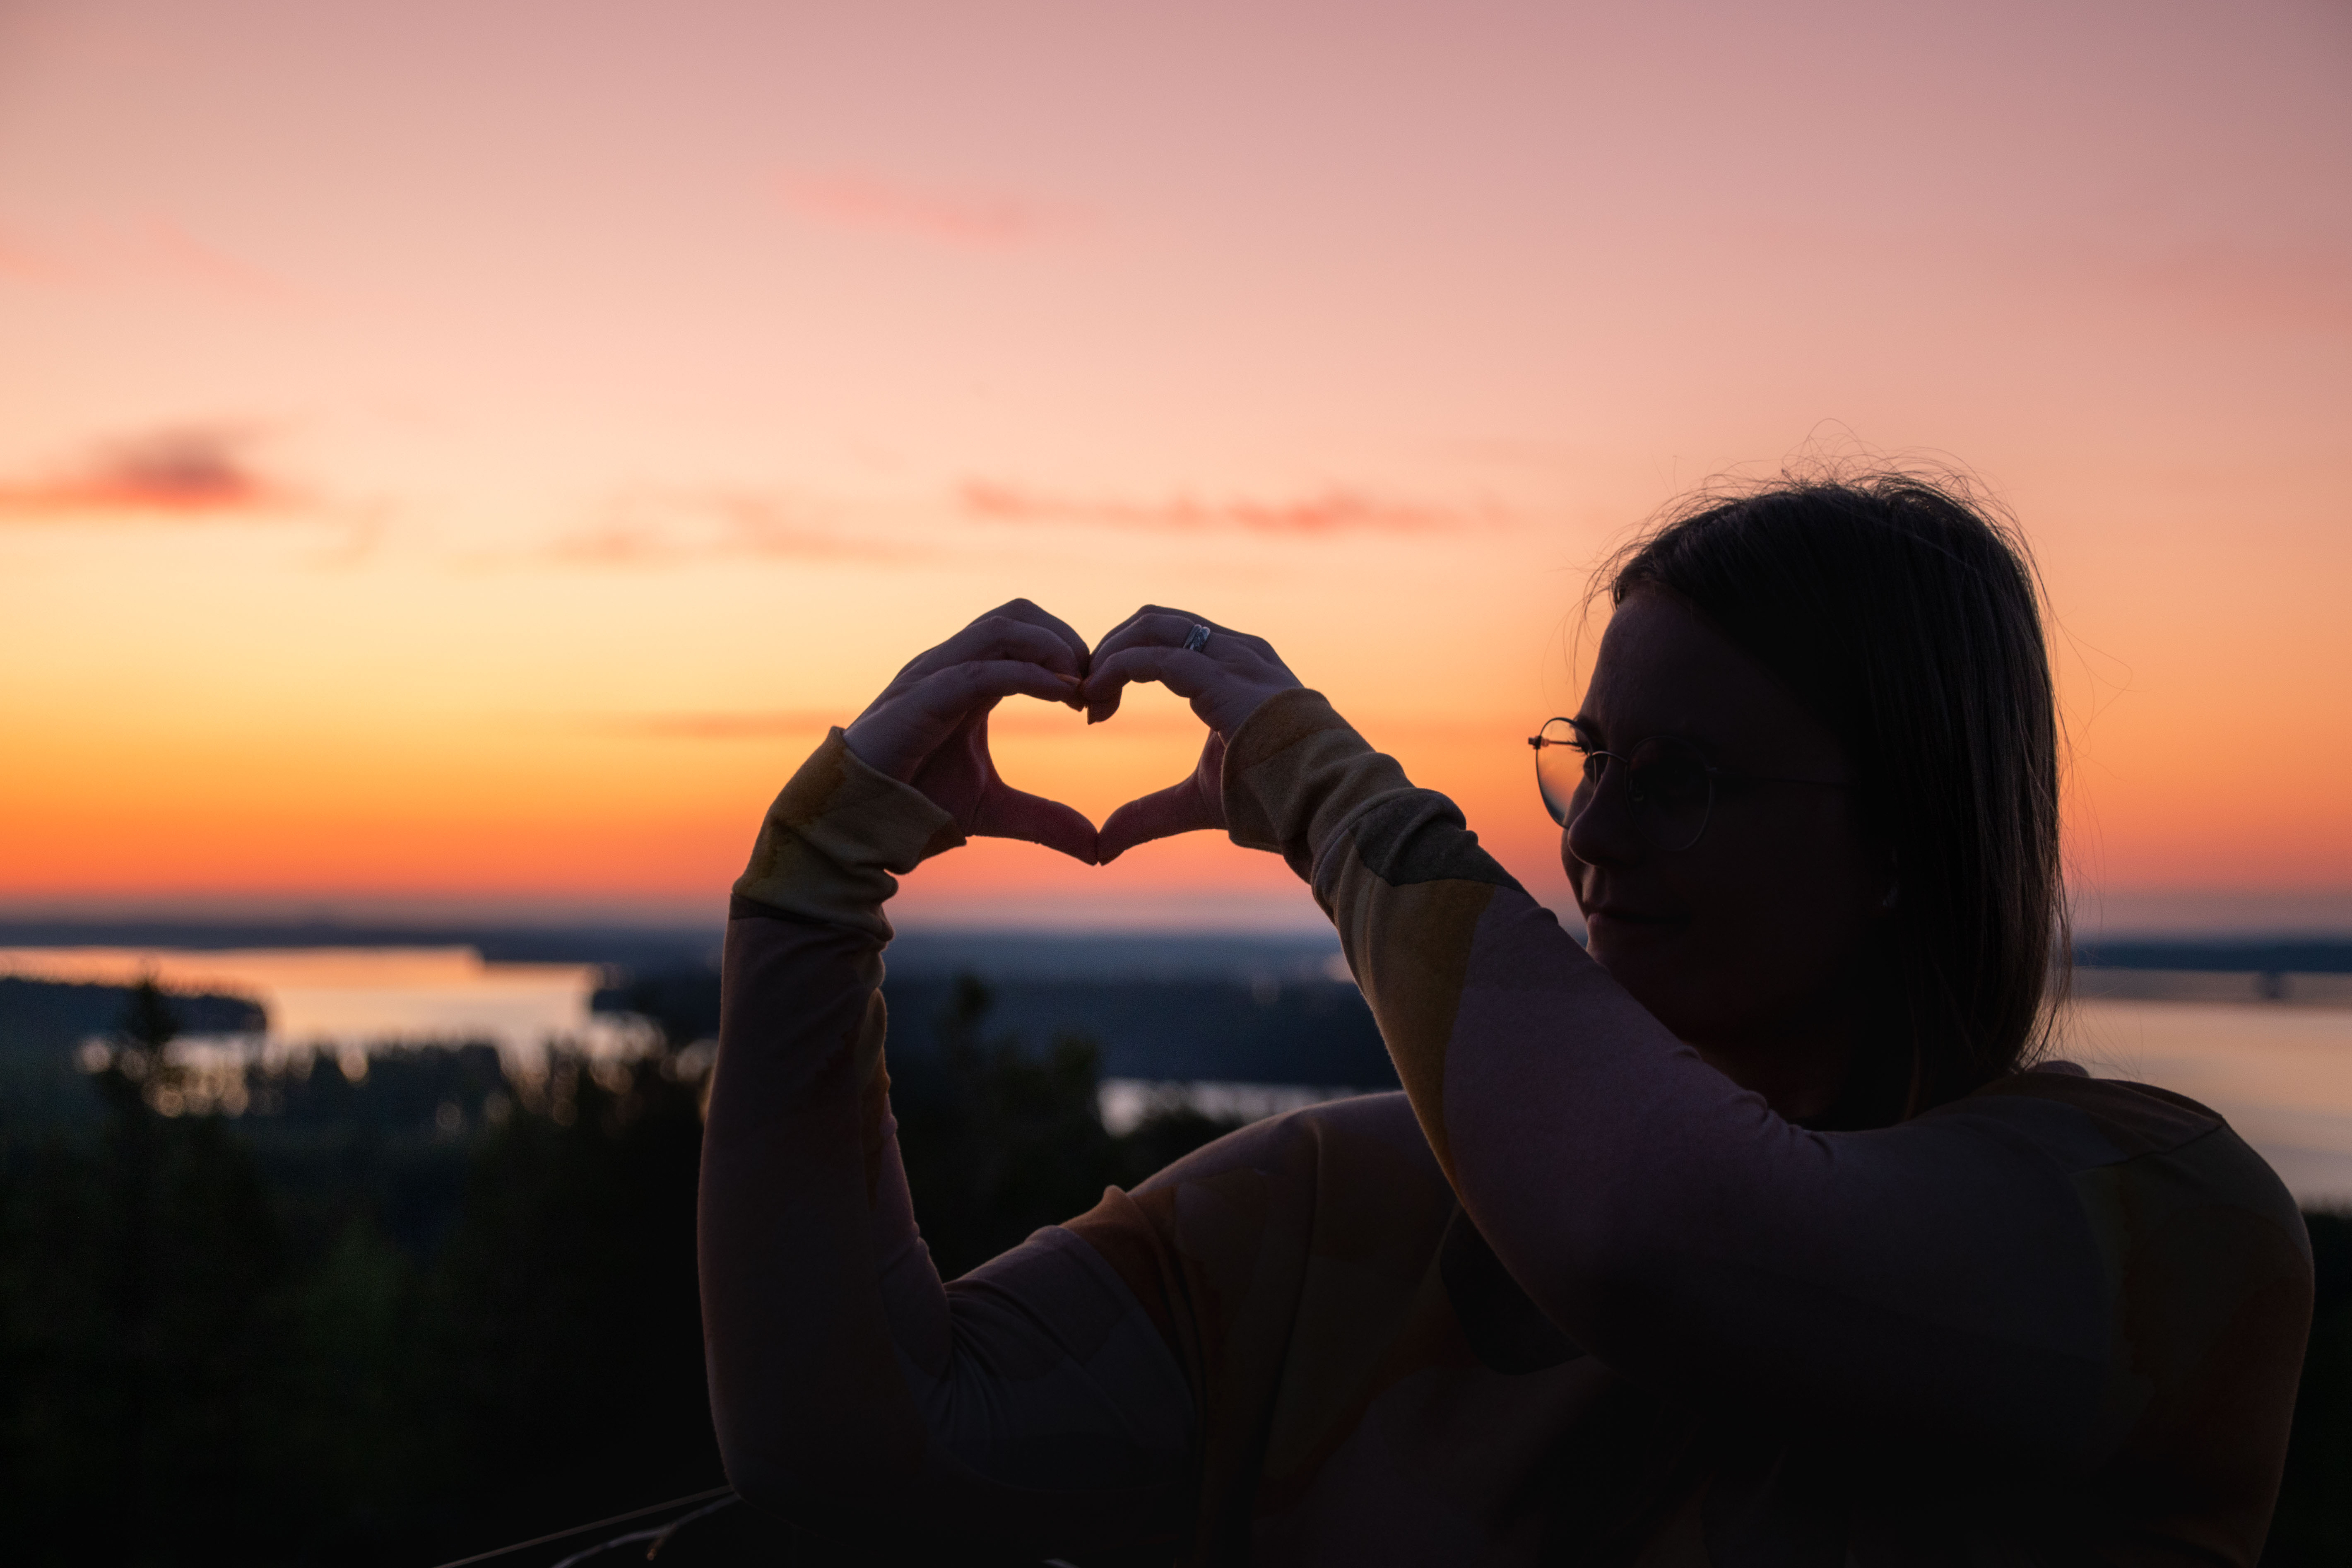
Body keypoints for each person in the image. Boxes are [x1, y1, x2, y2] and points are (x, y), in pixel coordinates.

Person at [698, 472, 2312, 1564]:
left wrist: (1338, 807)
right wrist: (806, 909)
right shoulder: (1342, 1211)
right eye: (1588, 756)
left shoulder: (2161, 1229)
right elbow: (861, 1448)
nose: (1592, 833)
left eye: (1679, 778)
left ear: (1907, 839)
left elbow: (1657, 1233)